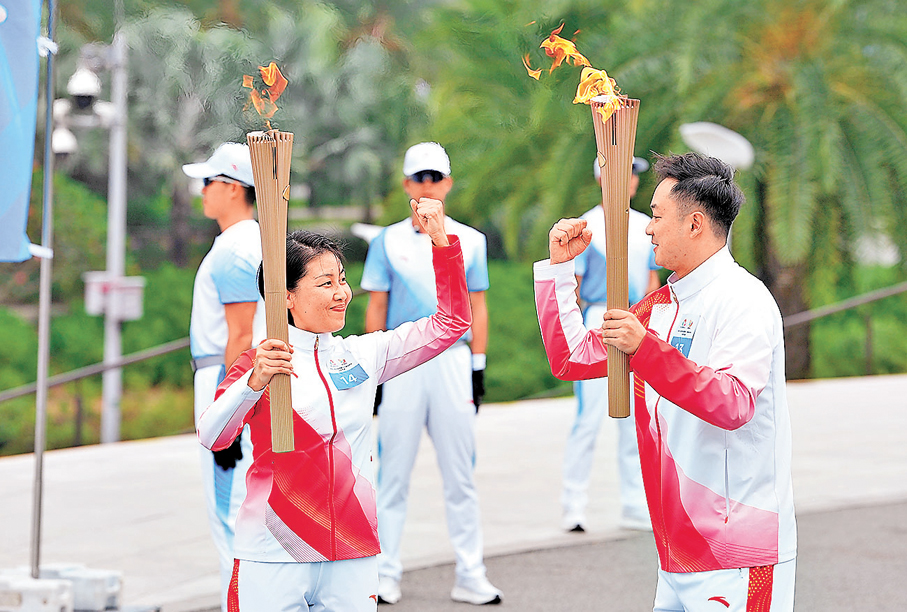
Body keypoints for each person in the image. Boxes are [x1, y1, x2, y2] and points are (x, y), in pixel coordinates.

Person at [535, 152, 796, 611]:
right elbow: (572, 359)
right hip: (674, 551)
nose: (648, 229)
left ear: (695, 223)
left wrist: (647, 351)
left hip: (735, 552)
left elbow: (733, 403)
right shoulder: (659, 307)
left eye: (656, 217)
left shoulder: (744, 301)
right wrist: (559, 271)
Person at [197, 198, 471, 611]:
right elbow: (212, 435)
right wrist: (253, 383)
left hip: (352, 548)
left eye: (342, 280)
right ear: (285, 297)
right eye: (325, 284)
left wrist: (440, 241)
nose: (342, 293)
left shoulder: (363, 355)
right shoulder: (261, 362)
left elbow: (451, 324)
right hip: (273, 549)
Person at [361, 142, 501, 605]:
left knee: (460, 474)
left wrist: (478, 367)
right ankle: (384, 573)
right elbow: (376, 308)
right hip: (401, 363)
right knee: (393, 474)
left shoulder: (470, 241)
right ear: (406, 185)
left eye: (434, 177)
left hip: (453, 364)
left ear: (448, 183)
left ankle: (471, 572)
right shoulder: (386, 242)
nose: (427, 186)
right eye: (418, 178)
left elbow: (477, 307)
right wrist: (373, 374)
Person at [182, 142, 264, 611]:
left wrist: (225, 414)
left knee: (229, 513)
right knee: (240, 511)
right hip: (239, 379)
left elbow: (240, 335)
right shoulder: (251, 240)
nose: (202, 192)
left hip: (227, 378)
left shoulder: (235, 247)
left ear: (233, 189)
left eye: (207, 183)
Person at [562, 156, 660, 533]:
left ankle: (635, 502)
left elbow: (652, 280)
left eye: (633, 174)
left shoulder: (646, 227)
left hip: (637, 323)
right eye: (621, 172)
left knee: (635, 414)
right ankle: (573, 503)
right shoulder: (586, 228)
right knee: (588, 417)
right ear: (602, 177)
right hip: (599, 321)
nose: (629, 180)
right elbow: (573, 287)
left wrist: (650, 327)